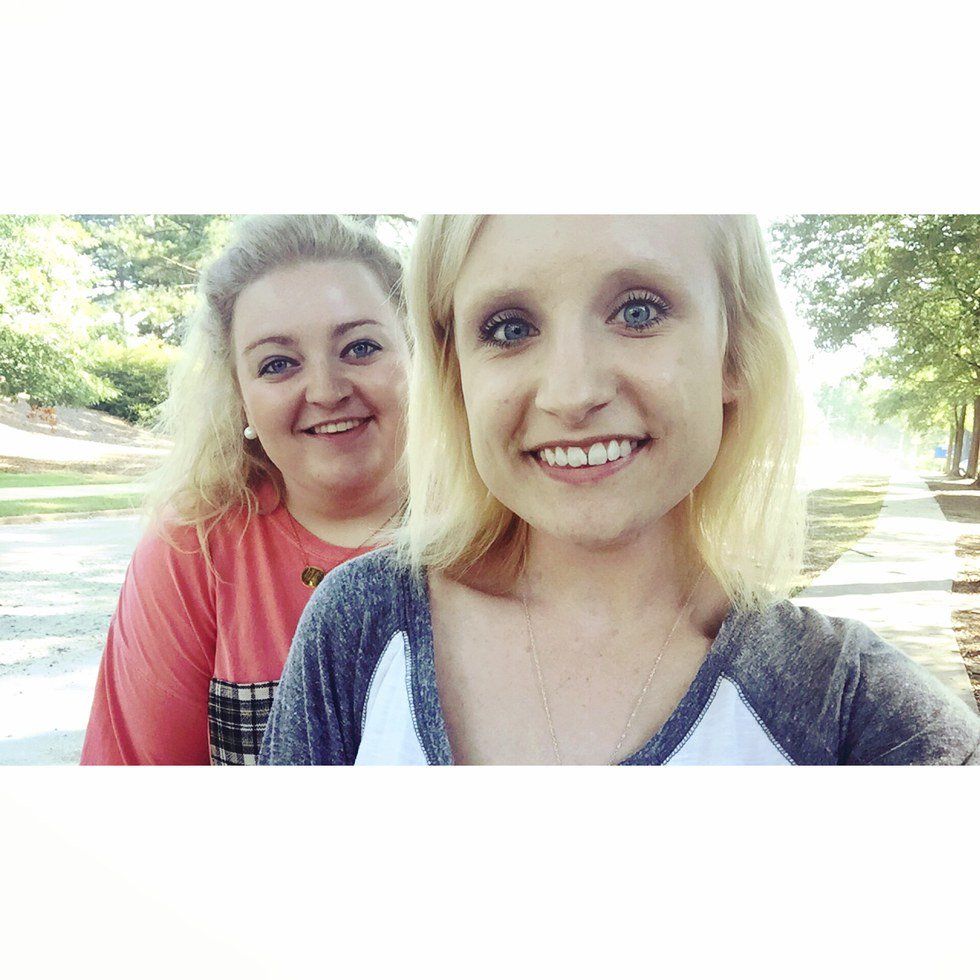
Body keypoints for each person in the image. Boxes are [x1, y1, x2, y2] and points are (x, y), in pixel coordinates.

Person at [259, 215, 980, 765]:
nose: (571, 393)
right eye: (508, 328)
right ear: (456, 375)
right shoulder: (359, 626)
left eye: (638, 311)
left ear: (733, 353)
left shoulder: (854, 710)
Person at [81, 214, 410, 765]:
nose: (326, 391)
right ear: (240, 397)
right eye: (277, 364)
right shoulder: (193, 550)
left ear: (418, 355)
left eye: (360, 347)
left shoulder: (497, 524)